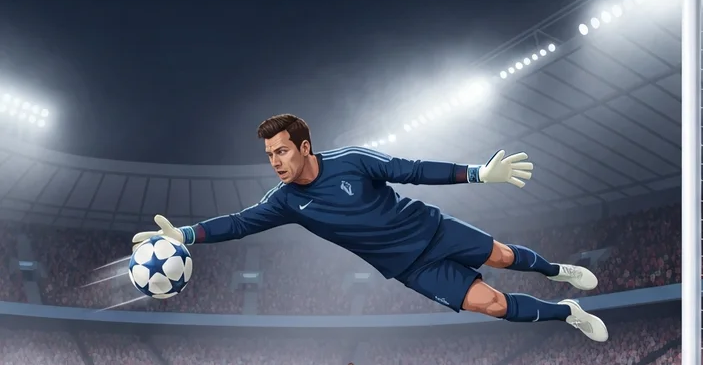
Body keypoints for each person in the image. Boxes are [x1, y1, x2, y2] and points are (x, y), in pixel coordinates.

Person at [132, 114, 607, 341]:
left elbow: (413, 169)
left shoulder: (353, 161)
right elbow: (239, 223)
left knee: (503, 257)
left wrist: (479, 172)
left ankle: (554, 269)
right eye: (269, 156)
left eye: (281, 151)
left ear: (304, 145)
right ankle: (568, 311)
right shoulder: (286, 203)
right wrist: (187, 235)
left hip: (431, 229)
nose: (275, 162)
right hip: (410, 268)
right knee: (495, 305)